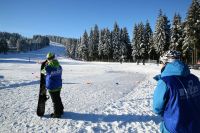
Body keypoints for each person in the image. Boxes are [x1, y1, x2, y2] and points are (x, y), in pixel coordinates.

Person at [153, 50, 200, 133]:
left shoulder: (165, 82)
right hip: (195, 126)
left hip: (174, 128)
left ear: (166, 63)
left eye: (161, 62)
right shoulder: (194, 78)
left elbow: (157, 108)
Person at [42, 52, 64, 118]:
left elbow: (43, 72)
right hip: (58, 85)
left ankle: (57, 113)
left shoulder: (48, 67)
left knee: (55, 101)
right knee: (58, 98)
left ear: (48, 59)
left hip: (52, 87)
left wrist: (46, 65)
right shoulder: (59, 66)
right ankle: (60, 110)